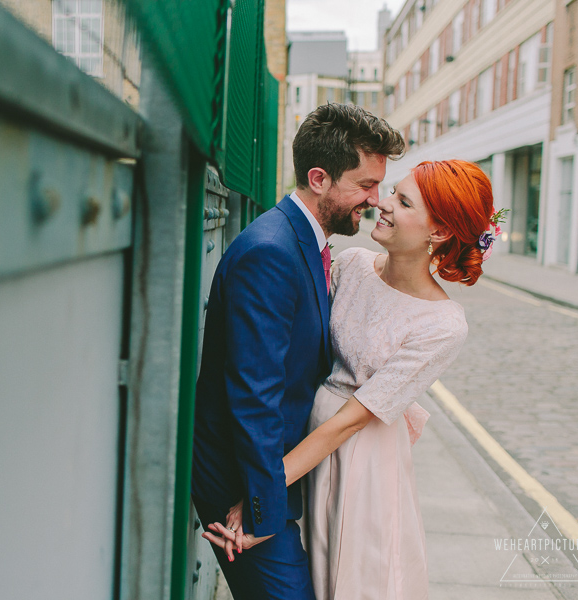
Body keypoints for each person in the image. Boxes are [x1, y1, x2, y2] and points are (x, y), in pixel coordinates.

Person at [205, 159, 501, 599]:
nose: (381, 204)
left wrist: (260, 495)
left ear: (437, 233)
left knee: (349, 577)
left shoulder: (442, 324)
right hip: (299, 440)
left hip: (358, 458)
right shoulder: (352, 264)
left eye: (402, 201)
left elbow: (351, 420)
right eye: (390, 192)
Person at [191, 103, 405, 600]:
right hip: (241, 488)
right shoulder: (271, 251)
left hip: (271, 475)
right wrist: (261, 508)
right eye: (365, 185)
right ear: (319, 177)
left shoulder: (307, 242)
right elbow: (253, 393)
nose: (375, 201)